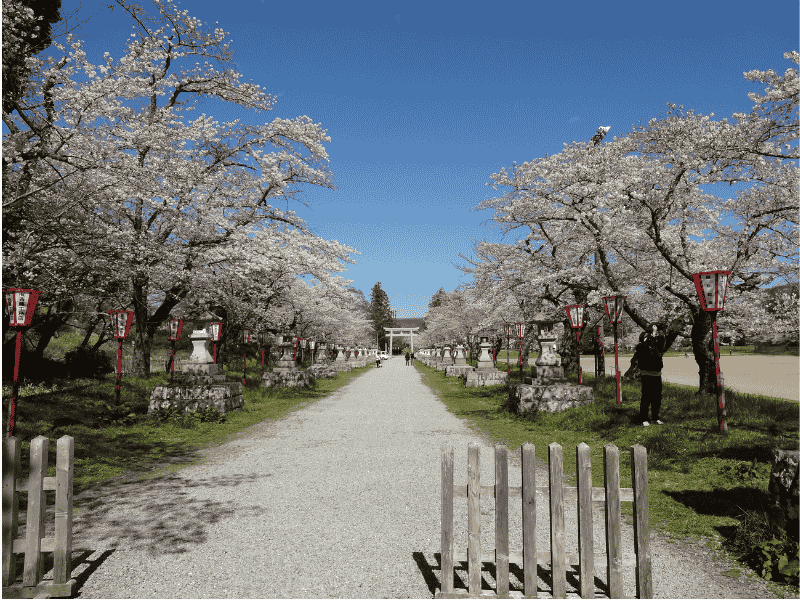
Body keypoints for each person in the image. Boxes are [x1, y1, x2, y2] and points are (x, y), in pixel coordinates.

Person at [631, 325, 664, 426]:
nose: (652, 338)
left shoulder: (656, 347)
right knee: (646, 397)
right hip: (646, 374)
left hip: (657, 375)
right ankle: (644, 419)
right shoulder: (641, 347)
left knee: (657, 398)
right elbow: (648, 345)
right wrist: (653, 334)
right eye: (648, 337)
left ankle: (655, 417)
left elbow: (661, 342)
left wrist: (656, 335)